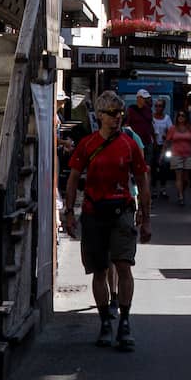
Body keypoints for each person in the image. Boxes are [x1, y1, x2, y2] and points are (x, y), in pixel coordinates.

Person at [64, 90, 151, 351]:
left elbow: (142, 180)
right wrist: (69, 212)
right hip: (94, 212)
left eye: (120, 113)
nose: (118, 118)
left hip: (122, 211)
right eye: (112, 114)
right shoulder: (87, 144)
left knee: (124, 266)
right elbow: (72, 179)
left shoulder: (129, 144)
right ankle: (104, 321)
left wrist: (145, 217)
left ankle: (124, 321)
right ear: (100, 116)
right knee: (99, 270)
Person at [168, 108, 191, 206]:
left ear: (186, 117)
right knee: (179, 176)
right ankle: (180, 196)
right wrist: (163, 153)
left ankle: (181, 190)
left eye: (183, 115)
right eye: (179, 116)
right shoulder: (173, 128)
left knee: (186, 179)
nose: (181, 117)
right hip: (176, 154)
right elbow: (167, 141)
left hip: (188, 154)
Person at [150, 96, 173, 201]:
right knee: (153, 167)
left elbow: (171, 131)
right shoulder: (151, 118)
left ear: (163, 107)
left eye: (160, 106)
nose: (157, 108)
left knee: (164, 168)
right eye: (156, 106)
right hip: (153, 146)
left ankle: (163, 189)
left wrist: (166, 136)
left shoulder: (167, 118)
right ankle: (154, 189)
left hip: (164, 146)